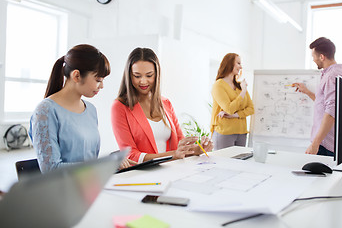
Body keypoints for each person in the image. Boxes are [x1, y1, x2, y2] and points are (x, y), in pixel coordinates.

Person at [29, 44, 133, 172]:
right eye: (98, 80)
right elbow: (51, 170)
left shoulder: (90, 110)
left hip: (91, 186)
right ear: (76, 76)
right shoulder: (45, 111)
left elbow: (88, 162)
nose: (102, 86)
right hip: (64, 190)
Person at [111, 47, 213, 163]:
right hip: (143, 176)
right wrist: (172, 155)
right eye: (137, 76)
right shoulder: (119, 107)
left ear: (157, 74)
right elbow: (131, 155)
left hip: (171, 171)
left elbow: (180, 143)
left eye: (149, 75)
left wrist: (197, 149)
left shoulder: (165, 103)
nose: (143, 81)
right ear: (129, 75)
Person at [293, 37, 342, 156]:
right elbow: (328, 105)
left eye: (314, 56)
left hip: (325, 144)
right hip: (332, 142)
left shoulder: (330, 76)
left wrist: (315, 143)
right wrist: (308, 92)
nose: (313, 59)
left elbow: (331, 111)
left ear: (322, 57)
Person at [210, 53, 254, 150]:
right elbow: (229, 109)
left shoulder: (239, 85)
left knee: (239, 164)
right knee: (223, 164)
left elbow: (251, 109)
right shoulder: (218, 85)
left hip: (242, 133)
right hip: (224, 132)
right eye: (238, 63)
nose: (240, 66)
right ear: (229, 63)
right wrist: (243, 92)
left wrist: (235, 115)